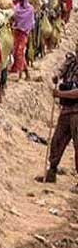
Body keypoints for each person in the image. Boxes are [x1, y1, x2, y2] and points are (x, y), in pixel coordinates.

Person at [42, 50, 78, 193]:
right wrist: (56, 77)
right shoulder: (71, 62)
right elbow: (59, 72)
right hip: (66, 109)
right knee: (57, 140)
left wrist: (60, 94)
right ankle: (52, 171)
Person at [11, 0, 35, 80]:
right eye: (19, 0)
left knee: (20, 52)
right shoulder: (17, 8)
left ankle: (20, 74)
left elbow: (31, 23)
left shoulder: (30, 9)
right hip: (16, 32)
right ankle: (26, 72)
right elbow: (14, 18)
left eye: (22, 0)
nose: (20, 2)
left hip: (24, 33)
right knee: (16, 52)